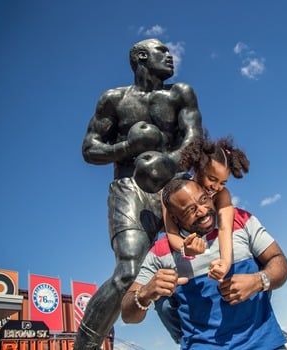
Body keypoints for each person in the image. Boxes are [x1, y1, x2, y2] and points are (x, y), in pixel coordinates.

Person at [75, 38, 203, 349]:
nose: (171, 57)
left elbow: (193, 137)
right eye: (163, 52)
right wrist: (128, 148)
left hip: (173, 186)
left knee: (202, 255)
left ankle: (200, 339)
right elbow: (89, 149)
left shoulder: (179, 94)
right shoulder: (114, 99)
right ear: (142, 57)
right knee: (128, 271)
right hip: (130, 188)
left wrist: (167, 161)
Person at [121, 178, 287, 349]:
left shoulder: (239, 220)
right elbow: (128, 314)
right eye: (190, 210)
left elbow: (281, 263)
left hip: (267, 344)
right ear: (174, 218)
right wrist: (145, 293)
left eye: (204, 200)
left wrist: (258, 281)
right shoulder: (160, 253)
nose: (202, 211)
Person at [163, 136, 250, 281]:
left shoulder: (221, 194)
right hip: (184, 263)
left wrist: (226, 261)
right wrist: (185, 248)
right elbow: (171, 233)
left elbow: (224, 228)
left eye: (223, 182)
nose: (216, 187)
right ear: (199, 169)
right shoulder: (174, 192)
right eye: (212, 179)